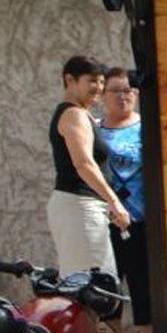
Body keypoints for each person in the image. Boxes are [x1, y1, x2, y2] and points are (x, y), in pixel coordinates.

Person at [46, 55, 127, 295]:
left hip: (83, 207)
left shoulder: (82, 114)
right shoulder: (73, 115)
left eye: (102, 82)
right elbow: (83, 163)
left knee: (97, 287)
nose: (99, 88)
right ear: (69, 80)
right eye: (92, 81)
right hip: (80, 206)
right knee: (93, 289)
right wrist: (114, 202)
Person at [95, 67, 149, 333]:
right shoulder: (93, 130)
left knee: (145, 299)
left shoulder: (147, 127)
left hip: (143, 225)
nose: (123, 96)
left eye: (129, 90)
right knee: (108, 296)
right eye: (115, 90)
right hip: (105, 226)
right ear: (104, 94)